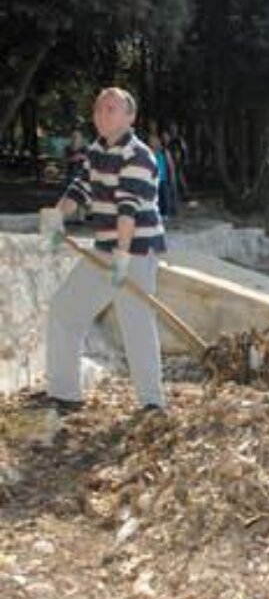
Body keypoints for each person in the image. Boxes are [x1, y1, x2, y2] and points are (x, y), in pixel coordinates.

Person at [38, 87, 167, 412]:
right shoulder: (96, 150)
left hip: (135, 249)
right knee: (65, 309)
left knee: (136, 323)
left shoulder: (138, 155)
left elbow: (128, 210)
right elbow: (79, 190)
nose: (102, 114)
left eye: (111, 109)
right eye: (98, 108)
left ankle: (152, 402)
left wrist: (122, 257)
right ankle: (64, 392)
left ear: (130, 117)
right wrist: (57, 216)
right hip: (106, 247)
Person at [148, 132, 177, 220]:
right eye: (151, 141)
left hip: (163, 179)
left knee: (164, 196)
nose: (153, 142)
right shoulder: (148, 151)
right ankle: (157, 213)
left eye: (154, 141)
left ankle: (165, 213)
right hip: (153, 179)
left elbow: (171, 165)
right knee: (154, 197)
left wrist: (172, 176)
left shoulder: (164, 152)